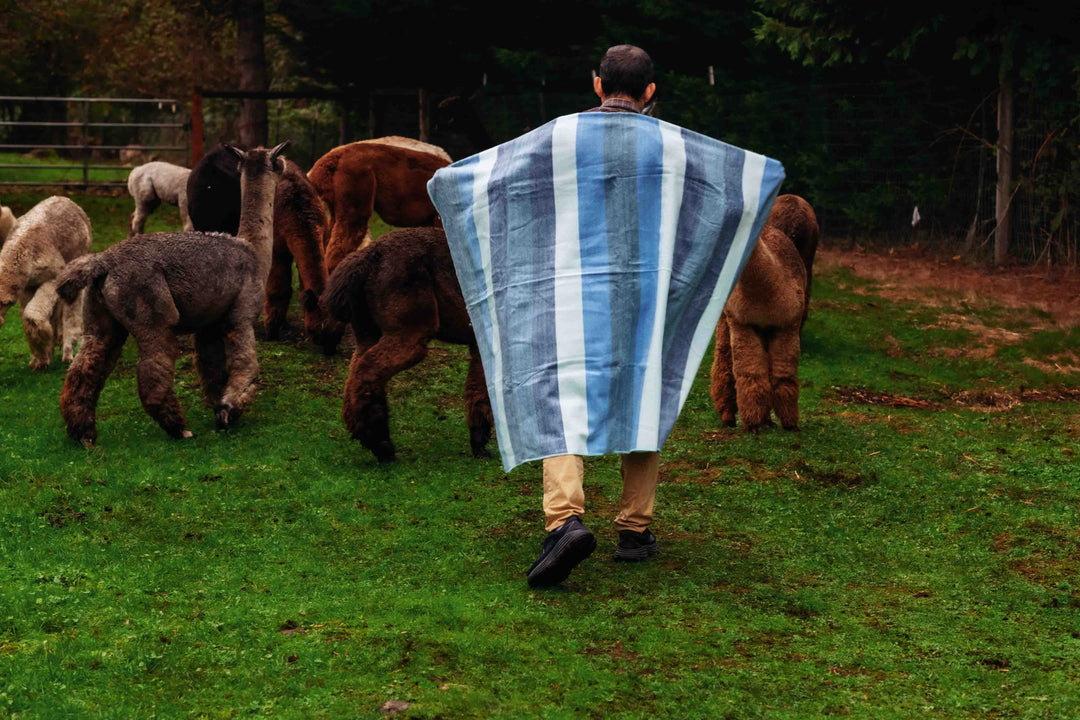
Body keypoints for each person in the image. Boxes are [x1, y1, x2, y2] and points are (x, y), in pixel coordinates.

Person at [525, 45, 662, 588]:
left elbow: (508, 184)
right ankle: (634, 530)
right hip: (646, 290)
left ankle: (564, 520)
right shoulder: (670, 146)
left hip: (572, 289)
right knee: (642, 392)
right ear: (650, 92)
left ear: (597, 86)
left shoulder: (559, 136)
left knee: (563, 394)